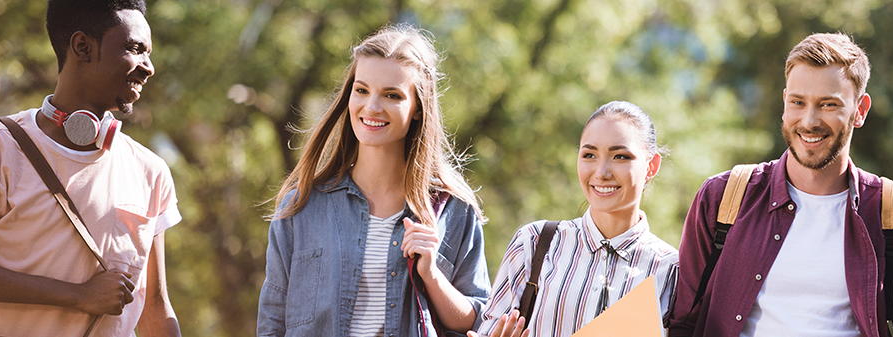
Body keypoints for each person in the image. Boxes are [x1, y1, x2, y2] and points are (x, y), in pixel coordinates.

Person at [668, 33, 893, 337]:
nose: (809, 121)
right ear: (785, 102)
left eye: (828, 104)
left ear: (860, 110)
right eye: (798, 102)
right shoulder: (723, 198)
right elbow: (682, 322)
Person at [0, 0, 181, 336]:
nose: (148, 67)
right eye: (135, 49)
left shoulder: (151, 172)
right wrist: (77, 296)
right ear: (82, 47)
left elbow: (154, 310)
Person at [256, 25, 490, 336]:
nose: (372, 107)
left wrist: (431, 275)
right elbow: (272, 322)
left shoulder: (455, 211)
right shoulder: (301, 207)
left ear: (418, 108)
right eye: (362, 90)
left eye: (392, 95)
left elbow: (477, 320)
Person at [469, 101, 679, 337]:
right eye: (589, 154)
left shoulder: (672, 269)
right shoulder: (534, 243)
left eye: (620, 156)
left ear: (652, 166)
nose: (601, 172)